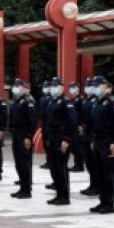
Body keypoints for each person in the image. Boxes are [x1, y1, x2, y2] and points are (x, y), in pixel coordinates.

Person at [90, 76, 114, 214]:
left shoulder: (113, 102)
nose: (96, 87)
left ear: (106, 86)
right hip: (98, 141)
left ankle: (110, 203)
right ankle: (102, 201)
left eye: (98, 85)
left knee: (109, 173)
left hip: (108, 142)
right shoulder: (97, 102)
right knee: (99, 172)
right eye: (94, 85)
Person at [45, 77, 77, 205]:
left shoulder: (66, 101)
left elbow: (72, 122)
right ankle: (58, 194)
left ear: (62, 87)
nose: (53, 88)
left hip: (61, 138)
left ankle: (65, 196)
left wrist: (67, 139)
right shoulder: (52, 101)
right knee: (54, 168)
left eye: (56, 85)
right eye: (52, 85)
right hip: (52, 138)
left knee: (61, 167)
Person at [9, 78, 37, 198]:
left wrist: (28, 136)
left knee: (24, 163)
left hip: (24, 135)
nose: (16, 88)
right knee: (19, 163)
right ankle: (22, 187)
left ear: (25, 87)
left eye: (18, 86)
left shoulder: (28, 101)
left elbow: (32, 121)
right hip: (16, 134)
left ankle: (26, 190)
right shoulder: (18, 100)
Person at [68, 81, 86, 173]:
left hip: (78, 126)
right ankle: (76, 163)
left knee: (78, 146)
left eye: (73, 87)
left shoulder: (80, 100)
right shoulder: (72, 100)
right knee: (74, 145)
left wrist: (81, 125)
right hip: (73, 126)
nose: (72, 89)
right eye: (70, 87)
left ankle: (80, 165)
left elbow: (82, 114)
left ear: (78, 88)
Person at [39, 80, 52, 170]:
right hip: (44, 123)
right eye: (44, 86)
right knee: (46, 143)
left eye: (47, 86)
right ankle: (48, 161)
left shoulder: (51, 98)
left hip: (49, 123)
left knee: (49, 143)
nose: (45, 88)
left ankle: (51, 161)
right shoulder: (43, 98)